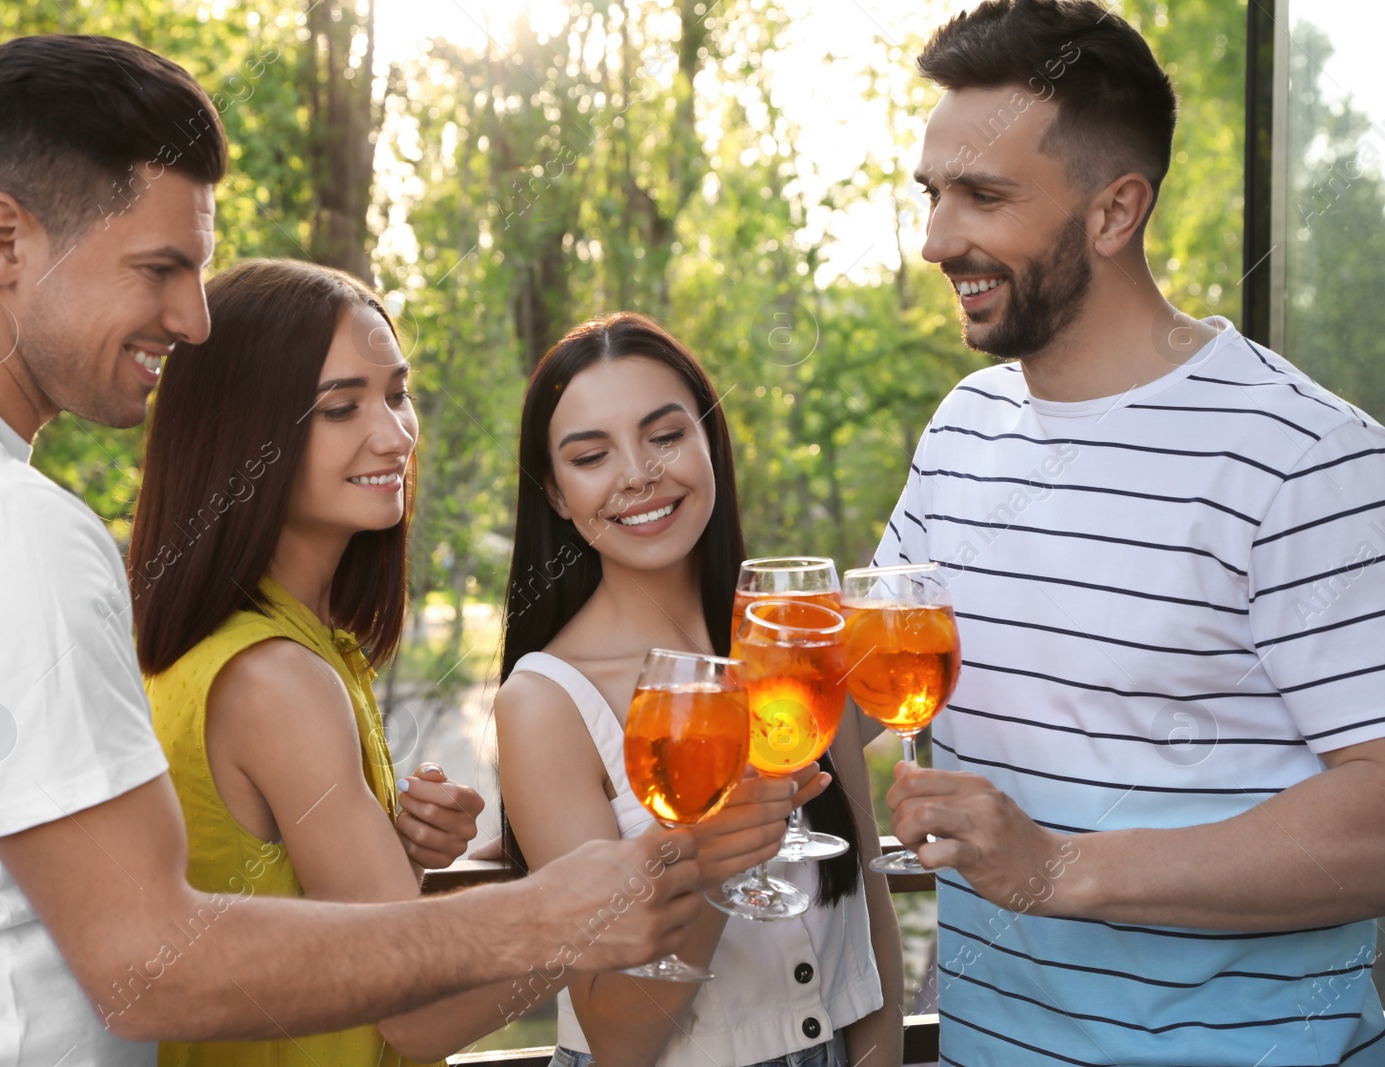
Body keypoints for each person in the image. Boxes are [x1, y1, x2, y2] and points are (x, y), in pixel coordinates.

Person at [0, 35, 723, 1067]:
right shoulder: (7, 527)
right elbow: (147, 955)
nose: (192, 320)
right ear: (4, 241)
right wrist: (549, 914)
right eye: (159, 269)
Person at [878, 2, 1385, 1064]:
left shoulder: (1301, 456)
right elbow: (857, 675)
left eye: (983, 195)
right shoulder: (963, 430)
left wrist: (1065, 867)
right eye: (933, 194)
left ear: (1114, 212)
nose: (936, 240)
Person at [130, 257, 554, 1064]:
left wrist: (391, 853)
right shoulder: (273, 678)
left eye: (397, 394)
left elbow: (286, 920)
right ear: (240, 434)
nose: (394, 433)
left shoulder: (291, 645)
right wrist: (604, 906)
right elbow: (416, 1013)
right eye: (340, 407)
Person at [495, 312, 905, 1067]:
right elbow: (618, 1037)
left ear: (710, 440)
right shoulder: (545, 703)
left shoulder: (801, 646)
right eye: (592, 455)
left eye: (665, 435)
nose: (639, 474)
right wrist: (704, 862)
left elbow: (873, 932)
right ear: (555, 494)